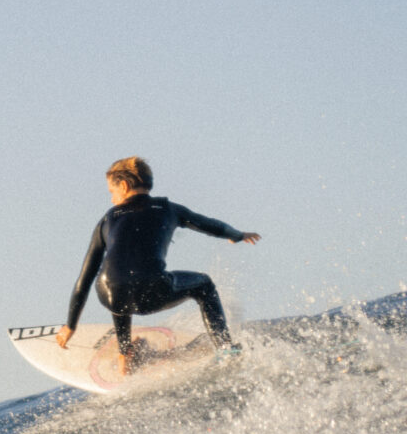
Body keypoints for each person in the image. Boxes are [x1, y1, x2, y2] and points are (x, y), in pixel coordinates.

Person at [57, 157, 260, 376]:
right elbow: (209, 225)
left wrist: (71, 326)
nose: (112, 198)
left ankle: (125, 355)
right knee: (205, 285)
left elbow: (84, 279)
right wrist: (237, 235)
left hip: (108, 293)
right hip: (152, 291)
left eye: (111, 191)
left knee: (117, 281)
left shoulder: (107, 219)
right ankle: (225, 348)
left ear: (124, 186)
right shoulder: (169, 209)